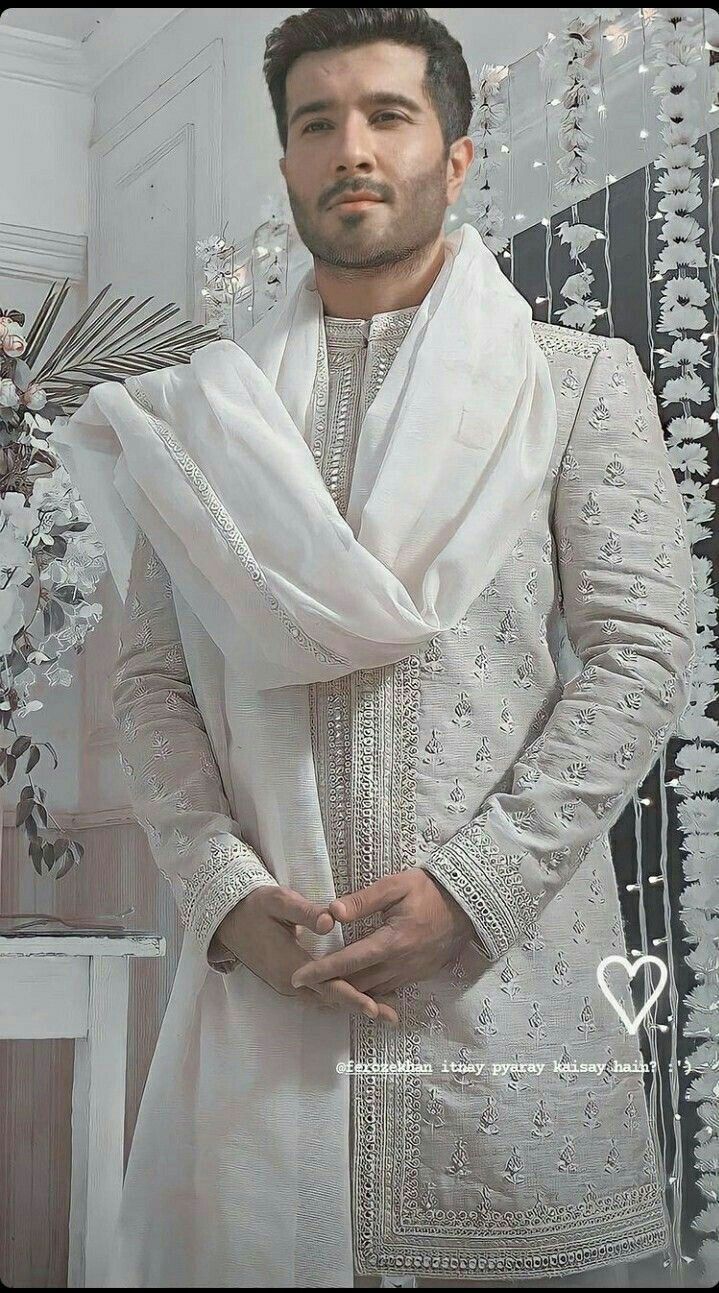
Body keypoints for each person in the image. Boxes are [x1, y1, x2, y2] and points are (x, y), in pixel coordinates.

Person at [52, 8, 697, 1288]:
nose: (351, 147)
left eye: (387, 116)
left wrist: (474, 887)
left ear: (453, 156)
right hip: (264, 987)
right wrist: (229, 900)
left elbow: (641, 653)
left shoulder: (575, 382)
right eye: (316, 123)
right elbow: (147, 682)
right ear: (286, 162)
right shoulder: (196, 423)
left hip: (504, 996)